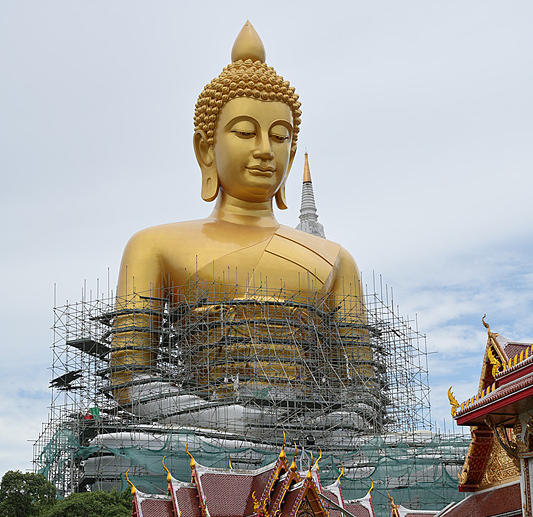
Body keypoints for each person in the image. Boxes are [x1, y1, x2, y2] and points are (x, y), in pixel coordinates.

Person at [110, 22, 372, 433]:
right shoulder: (154, 246)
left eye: (280, 136)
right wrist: (221, 419)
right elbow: (128, 378)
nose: (265, 150)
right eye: (245, 132)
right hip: (207, 432)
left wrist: (340, 422)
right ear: (206, 148)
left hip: (315, 437)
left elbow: (362, 390)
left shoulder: (336, 260)